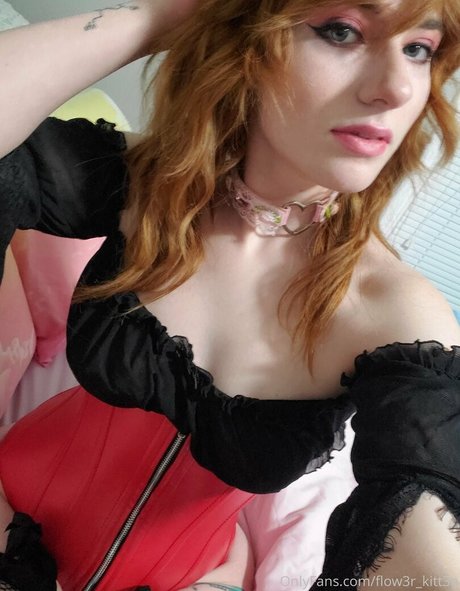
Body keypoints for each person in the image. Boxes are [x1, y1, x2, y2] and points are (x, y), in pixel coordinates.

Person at [0, 0, 459, 589]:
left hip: (189, 573)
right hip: (9, 503)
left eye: (419, 49)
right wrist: (166, 16)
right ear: (251, 44)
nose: (397, 88)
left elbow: (427, 548)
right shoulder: (143, 188)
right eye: (342, 31)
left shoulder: (394, 316)